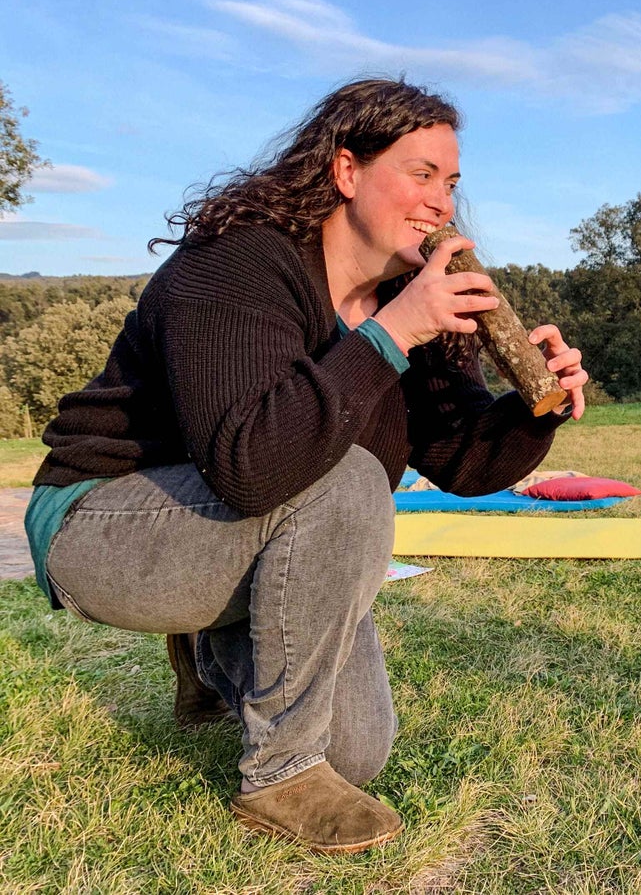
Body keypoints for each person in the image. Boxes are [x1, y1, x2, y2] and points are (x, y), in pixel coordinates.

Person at [23, 77, 588, 855]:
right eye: (421, 174)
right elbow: (249, 466)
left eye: (451, 183)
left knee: (357, 753)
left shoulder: (407, 301)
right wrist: (389, 336)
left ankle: (218, 649)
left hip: (233, 526)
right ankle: (280, 774)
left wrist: (535, 408)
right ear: (346, 171)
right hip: (105, 521)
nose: (442, 204)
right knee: (350, 474)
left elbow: (460, 460)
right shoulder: (240, 263)